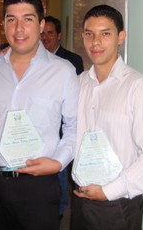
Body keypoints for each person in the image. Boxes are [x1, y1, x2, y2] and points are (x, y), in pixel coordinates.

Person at [0, 0, 79, 230]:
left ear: (41, 24)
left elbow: (75, 126)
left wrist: (58, 162)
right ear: (3, 24)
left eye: (28, 19)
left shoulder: (63, 71)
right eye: (11, 19)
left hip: (39, 185)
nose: (19, 28)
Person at [71, 4, 143, 230]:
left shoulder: (138, 87)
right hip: (81, 197)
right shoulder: (79, 83)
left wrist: (107, 192)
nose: (95, 42)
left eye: (105, 34)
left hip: (117, 204)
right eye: (89, 34)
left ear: (120, 37)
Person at [41, 15, 84, 219]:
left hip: (66, 131)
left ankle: (58, 213)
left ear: (59, 35)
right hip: (43, 130)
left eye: (50, 33)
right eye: (43, 33)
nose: (45, 37)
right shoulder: (34, 60)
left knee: (61, 182)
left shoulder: (73, 60)